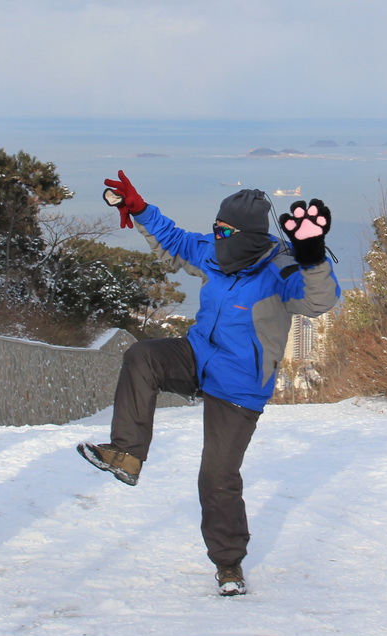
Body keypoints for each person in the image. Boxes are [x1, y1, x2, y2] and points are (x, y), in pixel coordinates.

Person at [77, 171, 341, 596]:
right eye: (216, 229)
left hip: (238, 386)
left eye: (225, 231)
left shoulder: (280, 270)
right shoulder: (216, 253)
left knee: (216, 477)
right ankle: (126, 453)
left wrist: (311, 255)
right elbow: (177, 241)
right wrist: (140, 209)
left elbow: (319, 300)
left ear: (249, 235)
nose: (217, 238)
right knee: (141, 356)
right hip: (198, 356)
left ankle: (229, 565)